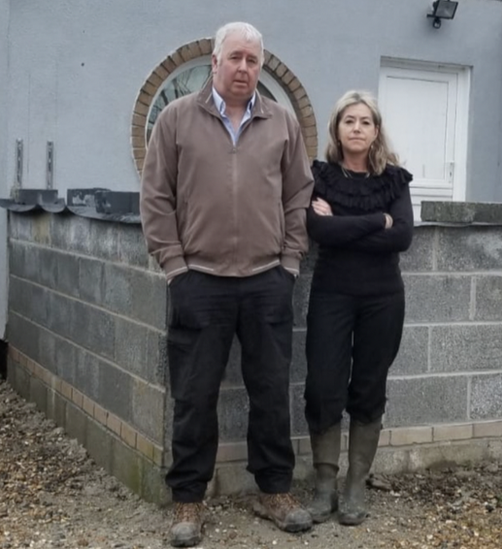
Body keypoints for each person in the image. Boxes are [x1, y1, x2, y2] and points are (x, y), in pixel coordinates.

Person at [139, 21, 314, 548]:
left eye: (252, 60)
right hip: (199, 281)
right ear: (214, 62)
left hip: (266, 281)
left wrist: (288, 263)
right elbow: (156, 198)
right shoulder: (175, 119)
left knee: (271, 391)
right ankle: (189, 499)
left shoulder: (281, 122)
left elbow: (298, 196)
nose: (244, 68)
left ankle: (274, 491)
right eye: (235, 58)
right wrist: (174, 265)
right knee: (194, 396)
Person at [303, 91, 413, 526]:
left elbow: (401, 237)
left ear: (376, 131)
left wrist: (341, 224)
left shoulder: (394, 181)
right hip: (331, 294)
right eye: (349, 120)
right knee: (323, 387)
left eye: (365, 122)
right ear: (337, 128)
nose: (357, 128)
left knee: (368, 388)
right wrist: (374, 221)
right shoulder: (320, 177)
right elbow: (317, 230)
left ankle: (355, 486)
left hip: (383, 298)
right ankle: (325, 485)